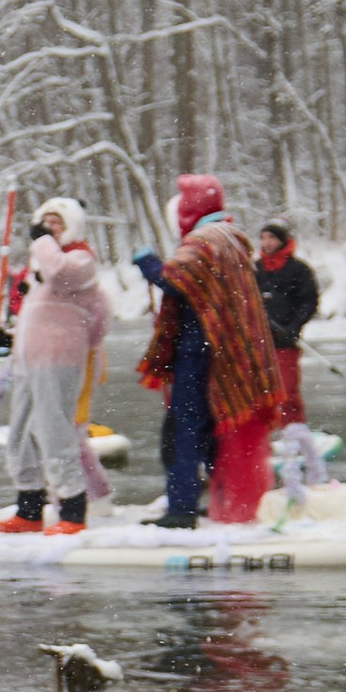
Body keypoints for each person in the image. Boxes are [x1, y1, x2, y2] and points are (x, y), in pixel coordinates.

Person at [134, 178, 281, 528]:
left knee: (183, 430)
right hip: (221, 353)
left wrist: (147, 262)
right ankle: (218, 498)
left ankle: (182, 508)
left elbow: (174, 277)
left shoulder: (206, 239)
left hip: (199, 350)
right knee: (210, 429)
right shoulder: (229, 236)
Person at [0, 195, 111, 532]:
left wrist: (42, 239)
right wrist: (8, 337)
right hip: (28, 358)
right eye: (44, 222)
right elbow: (37, 312)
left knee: (53, 428)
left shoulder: (80, 260)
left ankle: (73, 508)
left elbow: (60, 273)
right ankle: (29, 507)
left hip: (58, 356)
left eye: (56, 222)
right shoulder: (38, 272)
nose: (49, 228)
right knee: (19, 431)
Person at [254, 222, 320, 423]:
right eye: (264, 238)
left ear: (282, 240)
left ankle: (294, 433)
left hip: (285, 340)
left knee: (286, 391)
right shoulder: (254, 270)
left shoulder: (298, 270)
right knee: (259, 393)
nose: (267, 242)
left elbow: (309, 302)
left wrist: (294, 326)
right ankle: (266, 438)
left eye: (271, 238)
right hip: (258, 342)